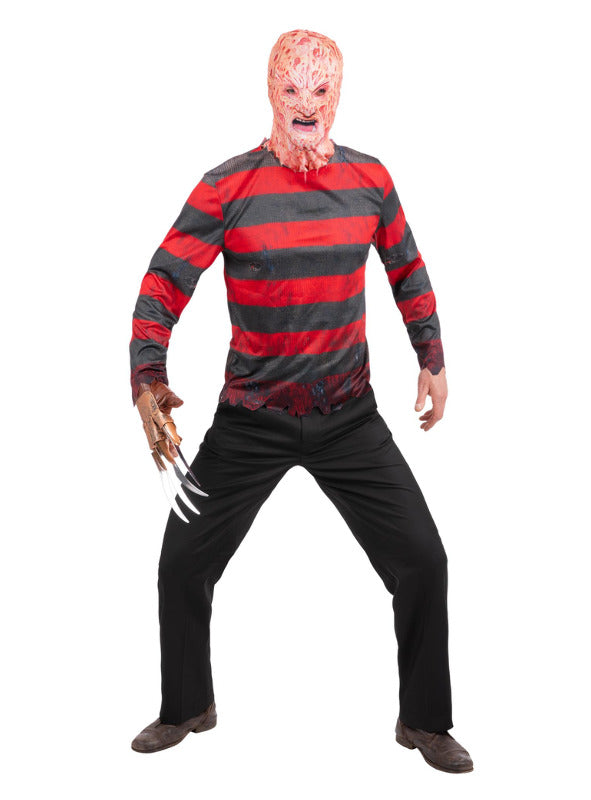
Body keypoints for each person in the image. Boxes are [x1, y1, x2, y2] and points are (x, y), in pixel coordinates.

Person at [129, 29, 473, 773]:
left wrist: (432, 356)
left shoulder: (371, 180)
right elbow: (162, 284)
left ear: (337, 95)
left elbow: (407, 268)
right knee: (182, 561)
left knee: (424, 559)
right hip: (250, 419)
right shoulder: (226, 187)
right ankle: (186, 705)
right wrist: (147, 380)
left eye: (320, 90)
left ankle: (424, 720)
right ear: (271, 92)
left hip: (349, 417)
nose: (306, 104)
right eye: (292, 89)